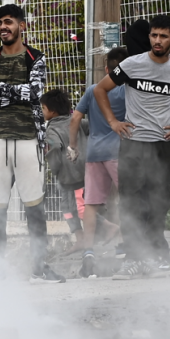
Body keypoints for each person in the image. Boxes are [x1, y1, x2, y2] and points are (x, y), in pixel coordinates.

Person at [94, 15, 170, 279]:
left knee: (159, 203)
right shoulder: (132, 65)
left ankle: (158, 259)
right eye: (154, 35)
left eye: (163, 36)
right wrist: (113, 122)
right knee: (130, 204)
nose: (158, 40)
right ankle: (133, 260)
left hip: (161, 146)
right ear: (149, 37)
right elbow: (100, 89)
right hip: (133, 145)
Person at [0, 4, 64, 282]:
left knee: (34, 207)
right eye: (0, 22)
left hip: (28, 140)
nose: (3, 27)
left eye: (9, 22)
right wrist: (14, 93)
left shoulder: (36, 58)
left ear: (21, 26)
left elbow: (35, 92)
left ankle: (39, 267)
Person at [69, 47, 128, 269]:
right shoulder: (127, 91)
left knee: (91, 204)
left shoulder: (93, 90)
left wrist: (73, 146)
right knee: (126, 199)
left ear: (106, 69)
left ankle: (88, 251)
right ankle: (123, 245)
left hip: (94, 153)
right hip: (119, 152)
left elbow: (75, 119)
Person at [41, 89, 86, 255]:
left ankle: (107, 229)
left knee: (74, 208)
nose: (42, 111)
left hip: (68, 176)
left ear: (52, 111)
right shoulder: (77, 121)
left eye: (43, 108)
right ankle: (82, 240)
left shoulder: (52, 130)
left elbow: (53, 150)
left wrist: (55, 169)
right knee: (75, 206)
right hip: (84, 171)